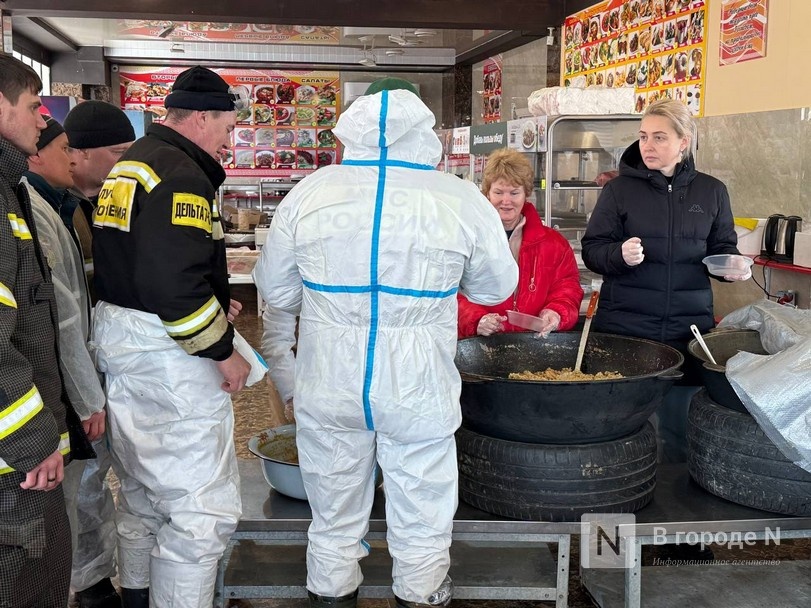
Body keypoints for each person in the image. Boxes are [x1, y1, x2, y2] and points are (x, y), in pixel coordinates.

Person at [254, 77, 518, 608]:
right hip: (418, 377)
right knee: (422, 499)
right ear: (424, 128)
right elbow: (495, 287)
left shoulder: (312, 191)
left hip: (330, 373)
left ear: (354, 126)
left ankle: (331, 592)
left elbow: (276, 289)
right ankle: (419, 592)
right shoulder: (460, 197)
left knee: (331, 507)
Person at [90, 65, 251, 608]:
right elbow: (172, 284)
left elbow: (146, 264)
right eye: (227, 127)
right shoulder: (182, 173)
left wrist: (207, 294)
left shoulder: (135, 163)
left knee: (141, 492)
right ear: (202, 118)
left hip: (126, 337)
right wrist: (223, 350)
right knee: (198, 508)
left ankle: (137, 596)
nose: (229, 140)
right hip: (166, 356)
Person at [581, 98, 750, 462]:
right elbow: (593, 249)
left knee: (677, 436)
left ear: (683, 141)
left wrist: (731, 267)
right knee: (621, 431)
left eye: (659, 137)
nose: (648, 146)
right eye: (643, 137)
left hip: (687, 330)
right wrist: (618, 255)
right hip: (626, 329)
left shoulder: (712, 191)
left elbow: (722, 248)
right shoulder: (619, 190)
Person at [0, 53, 89, 608]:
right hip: (14, 467)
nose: (44, 118)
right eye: (34, 106)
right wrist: (34, 443)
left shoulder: (9, 186)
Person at [23, 114, 122, 608]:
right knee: (70, 492)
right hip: (53, 386)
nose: (71, 157)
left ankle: (88, 578)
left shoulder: (70, 207)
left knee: (85, 485)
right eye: (65, 149)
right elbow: (61, 315)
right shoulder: (35, 211)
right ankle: (84, 585)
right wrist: (88, 398)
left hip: (70, 375)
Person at [457, 148, 583, 338]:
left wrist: (556, 311)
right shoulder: (465, 238)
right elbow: (446, 291)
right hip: (480, 346)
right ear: (487, 193)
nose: (506, 201)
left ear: (526, 194)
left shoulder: (554, 244)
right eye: (498, 192)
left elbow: (568, 287)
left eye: (514, 193)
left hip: (534, 347)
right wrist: (475, 319)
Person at [65, 100, 137, 299]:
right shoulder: (53, 203)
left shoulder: (130, 197)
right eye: (119, 152)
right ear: (82, 151)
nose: (129, 159)